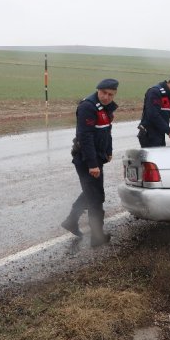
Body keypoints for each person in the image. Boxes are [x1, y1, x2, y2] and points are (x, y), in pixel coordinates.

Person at [61, 78, 119, 247]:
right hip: (86, 159)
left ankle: (71, 221)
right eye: (104, 93)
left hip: (97, 157)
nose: (107, 97)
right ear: (97, 90)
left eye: (111, 94)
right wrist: (93, 164)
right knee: (96, 198)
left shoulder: (106, 108)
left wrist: (109, 151)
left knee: (91, 192)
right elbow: (85, 138)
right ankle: (97, 236)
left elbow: (106, 131)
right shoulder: (88, 107)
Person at [137, 73, 170, 147]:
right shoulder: (155, 92)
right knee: (152, 158)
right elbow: (153, 115)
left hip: (159, 133)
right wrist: (168, 130)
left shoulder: (168, 95)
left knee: (159, 157)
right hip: (149, 135)